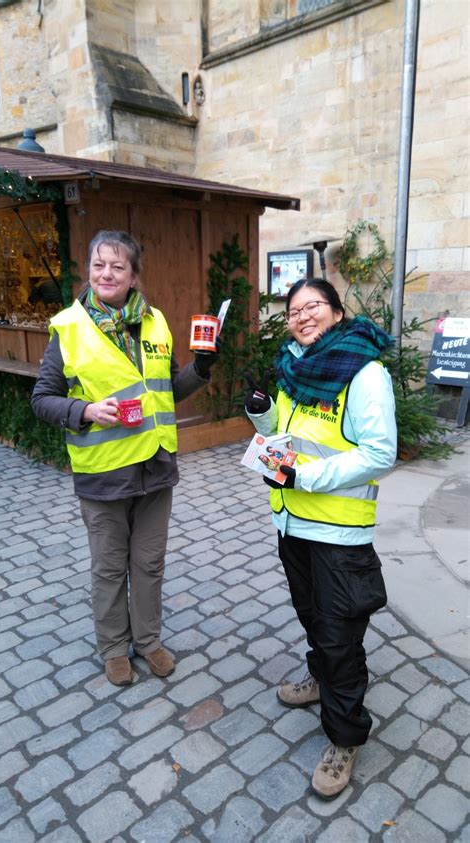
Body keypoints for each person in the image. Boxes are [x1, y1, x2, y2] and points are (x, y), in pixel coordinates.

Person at [32, 230, 219, 687]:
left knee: (149, 564)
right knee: (110, 567)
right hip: (104, 474)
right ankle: (114, 647)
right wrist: (85, 411)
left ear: (134, 275)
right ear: (89, 271)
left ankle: (149, 640)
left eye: (117, 266)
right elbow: (42, 399)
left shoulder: (154, 322)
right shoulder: (69, 327)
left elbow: (167, 392)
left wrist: (202, 369)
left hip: (155, 469)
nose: (106, 273)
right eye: (99, 265)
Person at [244, 278, 396, 800]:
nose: (303, 316)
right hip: (292, 524)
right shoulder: (295, 367)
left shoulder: (364, 372)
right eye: (294, 311)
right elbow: (281, 438)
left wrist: (302, 478)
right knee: (314, 619)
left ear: (336, 311)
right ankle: (322, 682)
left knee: (339, 637)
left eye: (313, 307)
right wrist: (261, 409)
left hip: (337, 532)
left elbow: (379, 453)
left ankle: (344, 735)